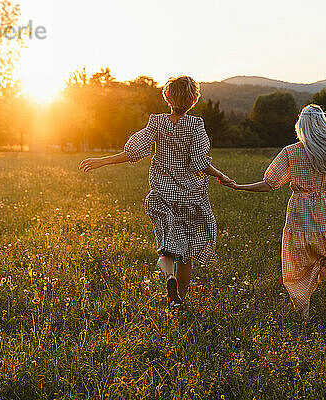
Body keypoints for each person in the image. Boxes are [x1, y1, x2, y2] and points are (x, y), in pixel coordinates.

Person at [79, 76, 233, 306]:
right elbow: (201, 163)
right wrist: (221, 175)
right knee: (186, 255)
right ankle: (178, 301)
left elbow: (133, 152)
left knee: (167, 249)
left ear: (167, 97)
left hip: (162, 196)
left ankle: (168, 277)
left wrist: (102, 161)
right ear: (193, 100)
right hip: (189, 198)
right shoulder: (196, 126)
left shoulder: (157, 123)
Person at [222, 104, 326, 319]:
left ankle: (303, 313)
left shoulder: (291, 152)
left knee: (298, 261)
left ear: (301, 126)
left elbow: (269, 184)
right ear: (323, 125)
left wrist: (240, 186)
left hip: (300, 209)